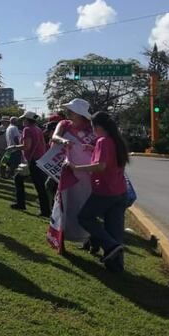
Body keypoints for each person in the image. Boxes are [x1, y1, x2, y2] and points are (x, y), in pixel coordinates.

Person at [68, 112, 130, 272]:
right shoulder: (116, 140)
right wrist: (93, 148)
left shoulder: (103, 141)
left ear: (98, 127)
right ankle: (116, 266)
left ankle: (110, 245)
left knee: (85, 217)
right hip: (120, 191)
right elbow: (109, 159)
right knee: (114, 228)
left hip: (105, 190)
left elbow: (100, 166)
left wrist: (76, 168)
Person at [49, 98, 97, 241]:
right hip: (64, 167)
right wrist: (64, 141)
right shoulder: (64, 124)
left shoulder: (91, 129)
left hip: (84, 171)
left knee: (83, 201)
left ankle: (88, 237)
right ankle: (60, 229)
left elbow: (98, 149)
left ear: (80, 114)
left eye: (72, 110)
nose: (68, 112)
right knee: (56, 193)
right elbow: (55, 136)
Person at [11, 111, 50, 215]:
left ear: (27, 120)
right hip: (39, 159)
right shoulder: (38, 129)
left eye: (24, 119)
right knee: (39, 185)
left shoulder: (27, 129)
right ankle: (44, 209)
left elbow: (26, 146)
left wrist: (13, 147)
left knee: (22, 180)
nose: (22, 121)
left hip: (33, 160)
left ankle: (24, 204)